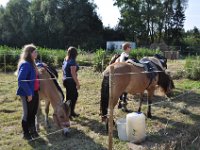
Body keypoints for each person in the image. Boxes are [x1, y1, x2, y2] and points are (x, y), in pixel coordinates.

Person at [16, 44, 39, 140]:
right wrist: (29, 93)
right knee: (27, 113)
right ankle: (26, 133)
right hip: (27, 93)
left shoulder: (32, 63)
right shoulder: (25, 64)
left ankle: (32, 130)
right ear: (29, 53)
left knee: (33, 112)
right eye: (35, 52)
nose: (36, 53)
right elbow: (21, 80)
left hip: (35, 92)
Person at [62, 46, 80, 119]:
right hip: (70, 81)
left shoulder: (66, 59)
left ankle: (71, 112)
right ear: (75, 53)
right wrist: (78, 83)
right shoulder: (72, 61)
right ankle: (68, 113)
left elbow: (63, 70)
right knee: (72, 97)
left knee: (71, 96)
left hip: (66, 80)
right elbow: (73, 73)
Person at [118, 42, 132, 112]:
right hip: (124, 75)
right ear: (126, 48)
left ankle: (120, 104)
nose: (131, 48)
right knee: (125, 91)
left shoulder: (124, 54)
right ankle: (124, 106)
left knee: (122, 90)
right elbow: (122, 64)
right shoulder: (124, 55)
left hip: (123, 74)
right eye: (130, 47)